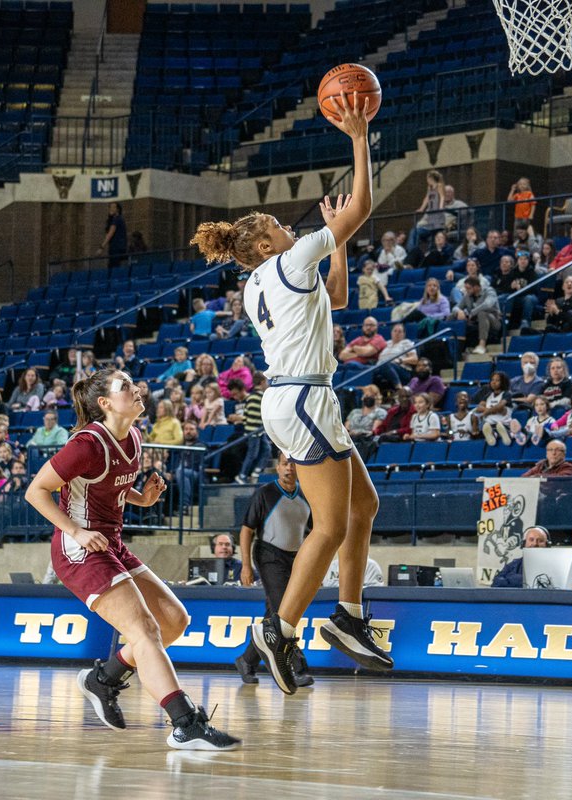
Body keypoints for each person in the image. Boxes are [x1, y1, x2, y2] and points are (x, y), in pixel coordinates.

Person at [191, 93, 393, 696]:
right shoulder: (285, 262)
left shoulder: (262, 283)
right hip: (304, 400)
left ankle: (349, 616)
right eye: (283, 228)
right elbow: (359, 207)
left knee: (364, 509)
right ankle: (278, 631)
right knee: (329, 526)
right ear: (262, 245)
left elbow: (338, 300)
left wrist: (337, 243)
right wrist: (359, 138)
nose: (294, 229)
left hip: (298, 400)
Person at [24, 368, 240, 749]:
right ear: (105, 403)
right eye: (125, 386)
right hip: (79, 551)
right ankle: (185, 723)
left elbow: (113, 489)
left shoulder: (135, 436)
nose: (137, 388)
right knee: (145, 632)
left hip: (111, 543)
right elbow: (36, 491)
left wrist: (143, 499)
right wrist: (76, 531)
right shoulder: (86, 444)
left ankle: (104, 679)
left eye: (133, 383)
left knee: (174, 621)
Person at [234, 452, 314, 686]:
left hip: (296, 558)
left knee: (273, 614)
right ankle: (297, 667)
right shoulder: (265, 493)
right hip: (269, 554)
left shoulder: (307, 494)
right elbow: (246, 530)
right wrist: (246, 565)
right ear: (278, 468)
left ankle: (246, 660)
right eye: (284, 464)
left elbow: (313, 533)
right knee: (285, 611)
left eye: (293, 464)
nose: (289, 468)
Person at [454, 276, 502, 355]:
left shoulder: (489, 291)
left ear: (476, 287)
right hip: (476, 322)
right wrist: (459, 311)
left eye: (468, 288)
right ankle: (456, 348)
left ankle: (482, 345)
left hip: (494, 321)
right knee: (454, 315)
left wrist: (473, 312)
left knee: (482, 313)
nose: (466, 290)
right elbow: (455, 307)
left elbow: (488, 304)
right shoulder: (467, 296)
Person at [474, 371, 512, 446]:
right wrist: (490, 410)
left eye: (497, 380)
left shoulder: (506, 394)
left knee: (502, 410)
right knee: (486, 424)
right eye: (492, 380)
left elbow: (500, 406)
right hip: (490, 423)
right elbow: (479, 407)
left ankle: (504, 433)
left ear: (503, 382)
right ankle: (492, 434)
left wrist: (487, 411)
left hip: (503, 421)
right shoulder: (488, 395)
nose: (494, 382)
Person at [410, 169, 444, 247]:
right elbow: (426, 198)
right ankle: (413, 248)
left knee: (433, 231)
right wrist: (422, 208)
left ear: (431, 178)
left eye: (428, 178)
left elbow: (442, 197)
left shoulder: (439, 185)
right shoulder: (429, 187)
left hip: (436, 210)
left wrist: (441, 207)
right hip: (430, 210)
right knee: (417, 228)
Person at [96, 201, 128, 268]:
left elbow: (110, 234)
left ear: (118, 209)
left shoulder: (117, 219)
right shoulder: (116, 219)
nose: (111, 209)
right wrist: (110, 217)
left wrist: (101, 247)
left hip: (116, 248)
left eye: (113, 207)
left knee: (113, 268)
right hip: (118, 247)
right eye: (110, 207)